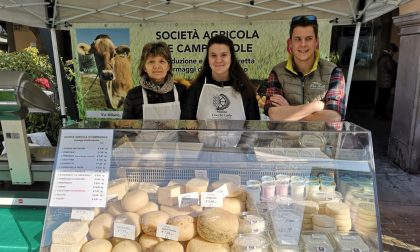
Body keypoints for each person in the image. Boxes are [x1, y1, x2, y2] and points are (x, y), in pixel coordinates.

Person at [264, 15, 346, 122]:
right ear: (290, 43)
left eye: (309, 39)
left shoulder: (333, 72)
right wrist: (315, 106)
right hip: (287, 138)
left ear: (316, 42)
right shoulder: (277, 72)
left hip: (321, 138)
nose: (303, 44)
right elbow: (274, 114)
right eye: (298, 39)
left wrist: (288, 110)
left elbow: (334, 117)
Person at [181, 35, 260, 121]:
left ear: (231, 57)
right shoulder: (195, 89)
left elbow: (253, 128)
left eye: (224, 55)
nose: (218, 60)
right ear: (208, 58)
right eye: (213, 55)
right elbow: (185, 125)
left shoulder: (245, 90)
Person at [122, 41, 186, 120]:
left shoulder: (182, 91)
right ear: (144, 67)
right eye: (151, 62)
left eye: (162, 61)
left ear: (168, 66)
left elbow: (187, 125)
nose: (157, 66)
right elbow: (126, 128)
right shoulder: (133, 95)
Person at [375, 43, 398, 120]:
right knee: (384, 99)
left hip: (382, 82)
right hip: (386, 83)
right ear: (390, 50)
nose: (393, 53)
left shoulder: (382, 57)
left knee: (380, 98)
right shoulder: (387, 58)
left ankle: (377, 114)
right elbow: (391, 68)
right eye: (393, 52)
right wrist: (395, 64)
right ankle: (381, 114)